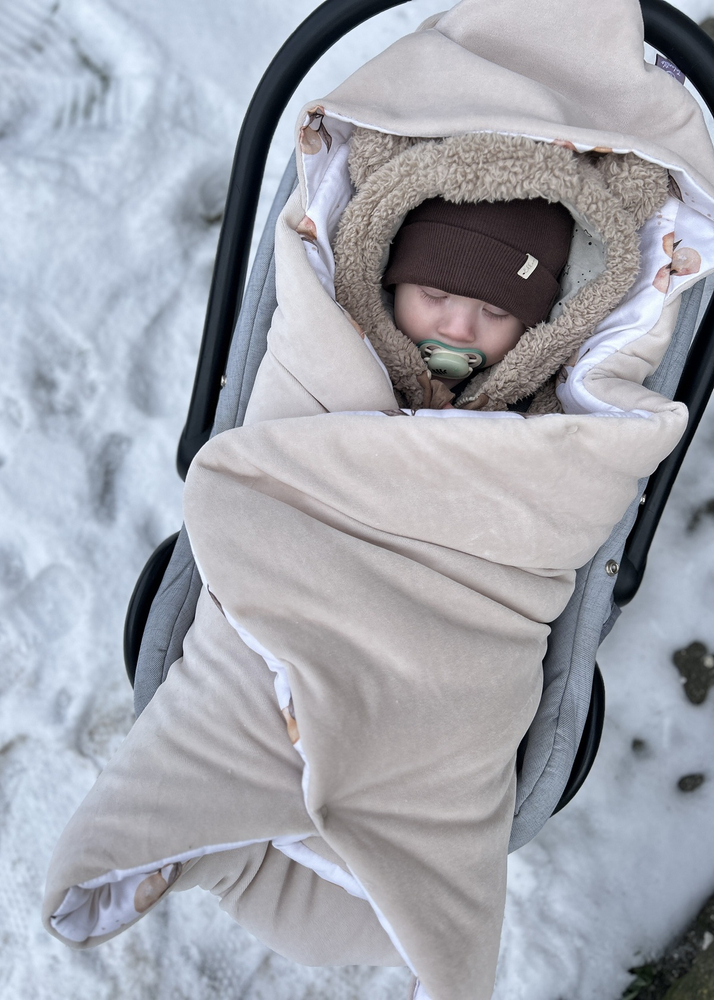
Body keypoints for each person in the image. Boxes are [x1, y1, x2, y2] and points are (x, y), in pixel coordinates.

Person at [378, 195, 574, 408]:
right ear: (394, 283)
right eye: (434, 294)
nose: (458, 331)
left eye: (496, 310)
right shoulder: (353, 359)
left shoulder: (542, 409)